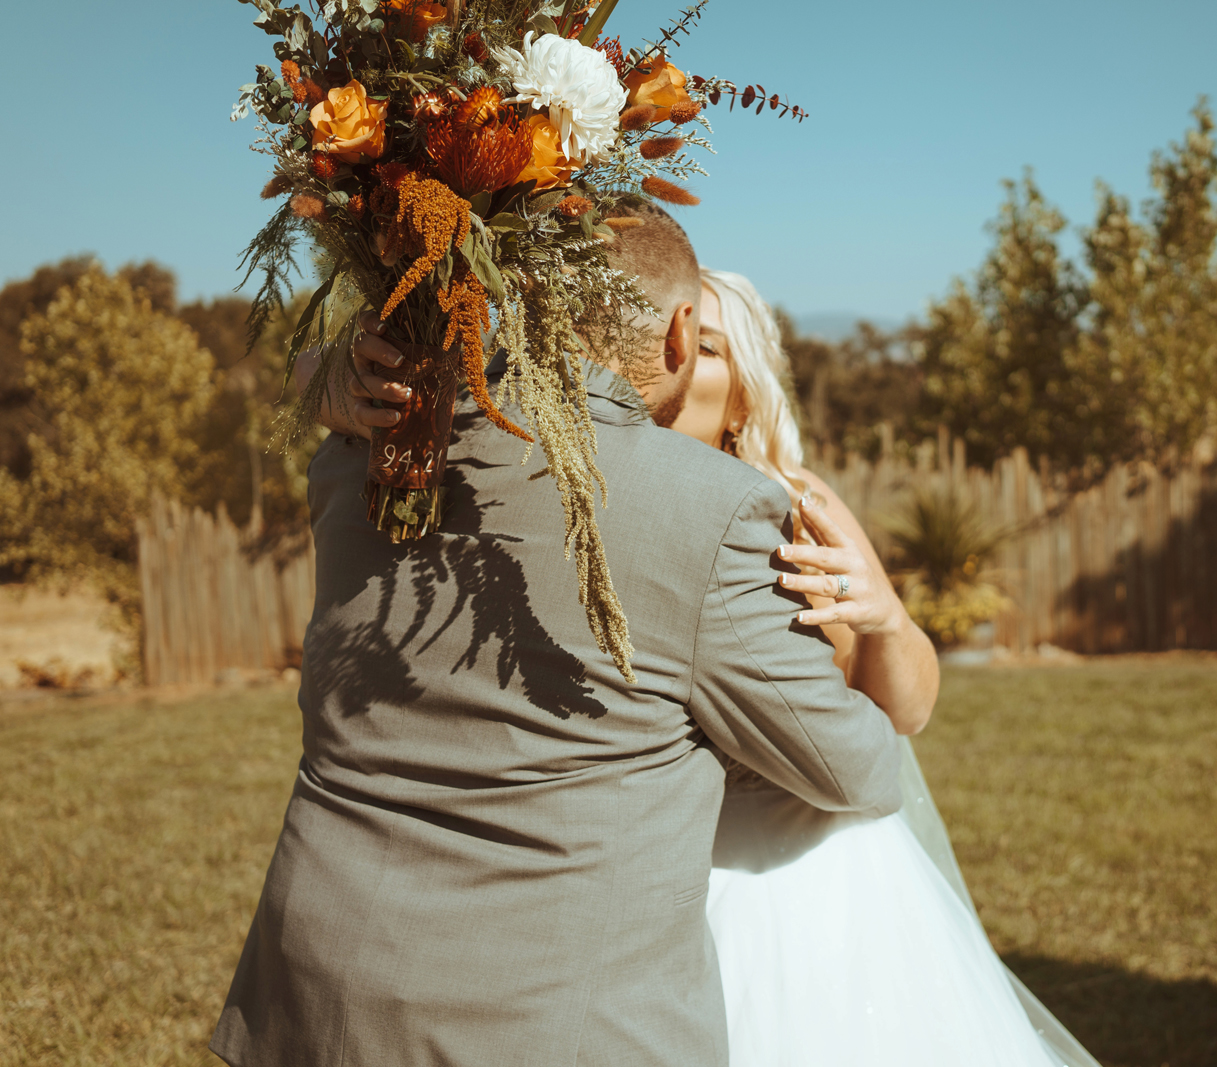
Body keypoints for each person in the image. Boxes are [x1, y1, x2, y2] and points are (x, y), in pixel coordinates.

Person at [208, 201, 903, 1067]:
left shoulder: (366, 449)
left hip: (314, 996)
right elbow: (853, 767)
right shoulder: (714, 508)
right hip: (545, 1026)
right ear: (681, 333)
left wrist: (326, 371)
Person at [669, 268, 1104, 1067]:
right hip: (672, 875)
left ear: (743, 395)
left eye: (704, 345)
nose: (673, 356)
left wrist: (886, 620)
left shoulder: (798, 504)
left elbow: (909, 710)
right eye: (669, 332)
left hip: (819, 879)